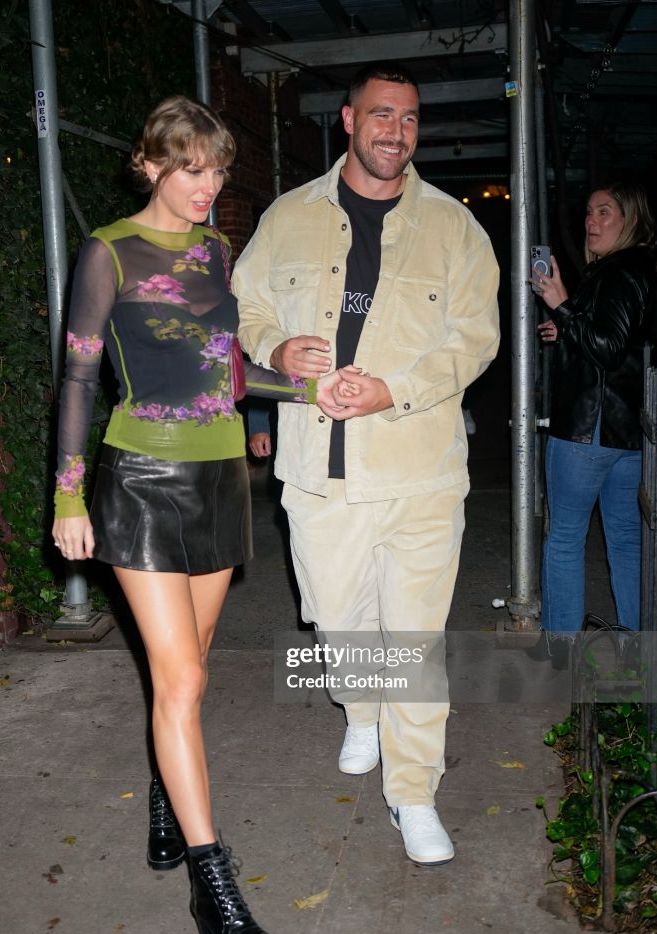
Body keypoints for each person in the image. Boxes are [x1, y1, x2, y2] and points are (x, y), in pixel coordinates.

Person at [51, 95, 354, 934]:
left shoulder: (218, 252)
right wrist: (70, 498)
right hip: (140, 481)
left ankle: (163, 793)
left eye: (217, 169)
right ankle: (213, 887)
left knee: (192, 669)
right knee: (179, 676)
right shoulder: (108, 251)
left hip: (220, 477)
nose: (208, 186)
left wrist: (301, 387)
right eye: (191, 168)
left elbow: (226, 372)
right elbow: (76, 380)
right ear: (149, 165)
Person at [233, 63, 500, 865]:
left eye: (411, 120)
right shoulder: (288, 216)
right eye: (383, 115)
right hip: (319, 471)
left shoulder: (454, 227)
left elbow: (474, 337)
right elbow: (245, 304)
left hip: (418, 468)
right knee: (339, 621)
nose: (397, 132)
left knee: (413, 639)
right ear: (349, 120)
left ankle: (413, 792)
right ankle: (360, 708)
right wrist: (274, 346)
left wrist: (394, 389)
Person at [529, 181, 657, 659]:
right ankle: (636, 642)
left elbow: (606, 350)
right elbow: (619, 342)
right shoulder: (646, 271)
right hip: (630, 434)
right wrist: (565, 327)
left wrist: (561, 302)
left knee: (564, 537)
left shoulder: (619, 272)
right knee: (627, 538)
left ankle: (561, 648)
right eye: (588, 212)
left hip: (587, 431)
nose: (591, 222)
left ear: (630, 218)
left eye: (605, 212)